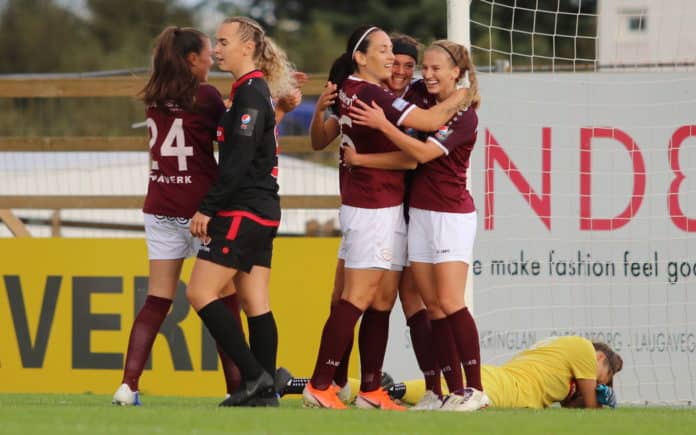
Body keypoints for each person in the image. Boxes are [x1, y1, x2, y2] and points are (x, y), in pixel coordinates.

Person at [302, 25, 468, 411]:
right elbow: (425, 129)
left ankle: (371, 390)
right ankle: (321, 384)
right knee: (356, 297)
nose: (392, 59)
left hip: (383, 204)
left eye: (396, 53)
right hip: (371, 206)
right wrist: (463, 94)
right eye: (384, 50)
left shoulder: (354, 88)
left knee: (381, 299)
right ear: (361, 57)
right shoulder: (372, 93)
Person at [349, 39, 486, 411]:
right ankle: (446, 392)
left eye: (435, 68)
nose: (427, 74)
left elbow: (422, 154)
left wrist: (382, 125)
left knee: (450, 301)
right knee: (432, 306)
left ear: (456, 71)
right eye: (424, 67)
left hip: (450, 215)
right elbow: (399, 102)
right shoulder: (422, 96)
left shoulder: (464, 113)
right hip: (419, 213)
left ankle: (475, 389)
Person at [112, 26, 240, 406]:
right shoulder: (206, 95)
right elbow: (230, 138)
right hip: (201, 211)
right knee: (224, 299)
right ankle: (237, 387)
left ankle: (128, 385)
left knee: (157, 300)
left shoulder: (155, 95)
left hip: (160, 206)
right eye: (208, 52)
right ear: (191, 59)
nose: (213, 58)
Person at [184, 16, 295, 407]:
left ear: (248, 47)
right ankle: (265, 396)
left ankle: (255, 377)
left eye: (223, 42)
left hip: (244, 209)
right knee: (255, 302)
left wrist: (207, 208)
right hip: (261, 209)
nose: (216, 49)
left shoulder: (250, 93)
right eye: (216, 42)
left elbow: (238, 161)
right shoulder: (251, 91)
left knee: (199, 291)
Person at [391, 337, 623, 409]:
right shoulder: (584, 349)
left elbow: (570, 406)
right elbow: (591, 408)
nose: (594, 385)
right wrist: (603, 404)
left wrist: (585, 399)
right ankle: (391, 390)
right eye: (599, 380)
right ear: (600, 359)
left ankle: (388, 391)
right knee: (448, 393)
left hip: (503, 379)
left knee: (446, 392)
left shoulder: (561, 357)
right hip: (511, 389)